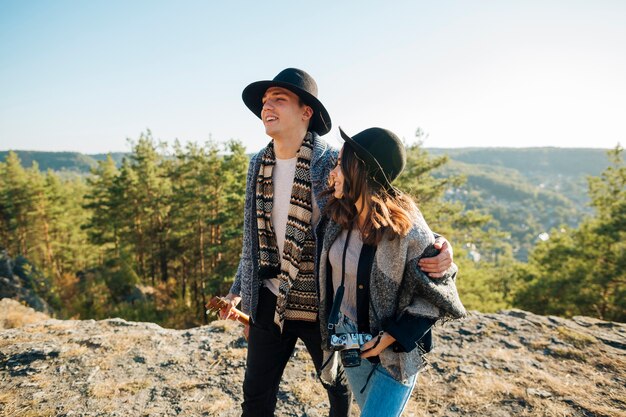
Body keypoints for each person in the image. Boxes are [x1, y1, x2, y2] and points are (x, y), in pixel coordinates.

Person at [218, 68, 456, 417]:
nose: (267, 106)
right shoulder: (258, 164)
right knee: (255, 394)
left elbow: (384, 205)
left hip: (320, 303)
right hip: (270, 298)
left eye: (278, 99)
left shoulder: (332, 161)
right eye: (265, 101)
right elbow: (252, 237)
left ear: (306, 112)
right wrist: (238, 290)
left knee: (337, 386)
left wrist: (439, 245)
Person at [318, 127, 467, 417]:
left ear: (360, 169)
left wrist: (391, 336)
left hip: (395, 354)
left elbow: (437, 295)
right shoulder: (337, 216)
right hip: (352, 343)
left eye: (339, 164)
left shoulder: (408, 231)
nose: (332, 172)